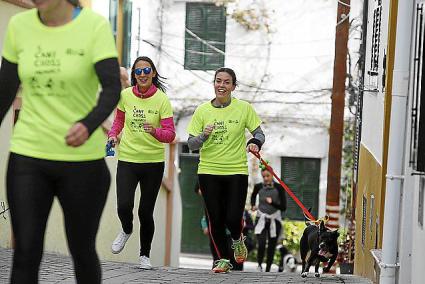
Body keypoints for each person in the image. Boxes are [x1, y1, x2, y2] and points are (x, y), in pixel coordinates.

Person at [0, 1, 121, 283]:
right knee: (25, 253)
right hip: (28, 155)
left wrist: (89, 124)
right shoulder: (20, 26)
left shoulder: (94, 26)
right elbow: (5, 91)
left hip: (81, 162)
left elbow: (112, 87)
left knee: (81, 250)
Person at [187, 67, 265, 273]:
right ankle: (223, 259)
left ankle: (238, 239)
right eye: (218, 81)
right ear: (214, 83)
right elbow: (192, 144)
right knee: (215, 219)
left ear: (233, 86)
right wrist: (203, 136)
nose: (221, 85)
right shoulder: (202, 111)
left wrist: (255, 142)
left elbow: (258, 132)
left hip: (236, 171)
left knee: (232, 218)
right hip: (208, 171)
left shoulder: (244, 108)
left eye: (226, 82)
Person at [108, 56, 175, 270]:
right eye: (138, 71)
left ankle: (144, 255)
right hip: (128, 159)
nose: (143, 74)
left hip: (153, 163)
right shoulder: (125, 96)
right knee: (124, 205)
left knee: (145, 212)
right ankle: (127, 229)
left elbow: (170, 134)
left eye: (147, 70)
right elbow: (118, 121)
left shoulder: (162, 100)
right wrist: (112, 135)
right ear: (134, 75)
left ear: (153, 73)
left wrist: (155, 131)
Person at [250, 165, 287, 272]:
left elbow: (283, 207)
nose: (265, 178)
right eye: (263, 176)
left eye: (268, 176)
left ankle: (268, 269)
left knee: (272, 245)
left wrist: (273, 203)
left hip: (274, 220)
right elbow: (253, 196)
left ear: (272, 175)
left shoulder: (279, 187)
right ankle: (259, 265)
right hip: (261, 218)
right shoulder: (258, 186)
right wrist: (253, 205)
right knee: (261, 244)